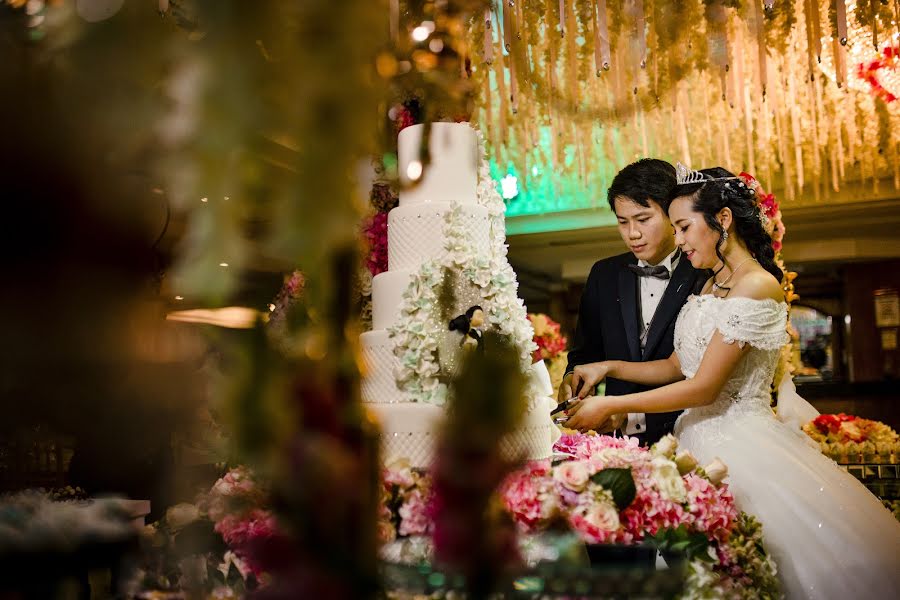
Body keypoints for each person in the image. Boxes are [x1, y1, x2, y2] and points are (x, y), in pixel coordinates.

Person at [565, 166, 900, 598]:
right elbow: (674, 364)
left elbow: (703, 387)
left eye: (684, 227)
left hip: (742, 446)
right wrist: (608, 367)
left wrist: (610, 406)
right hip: (693, 445)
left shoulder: (758, 286)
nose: (680, 240)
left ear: (722, 220)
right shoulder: (711, 284)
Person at [560, 158, 706, 445]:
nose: (632, 234)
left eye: (643, 219)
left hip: (688, 434)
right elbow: (585, 353)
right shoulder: (604, 274)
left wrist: (627, 411)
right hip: (616, 441)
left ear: (671, 213)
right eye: (622, 222)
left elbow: (697, 373)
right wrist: (570, 380)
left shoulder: (703, 272)